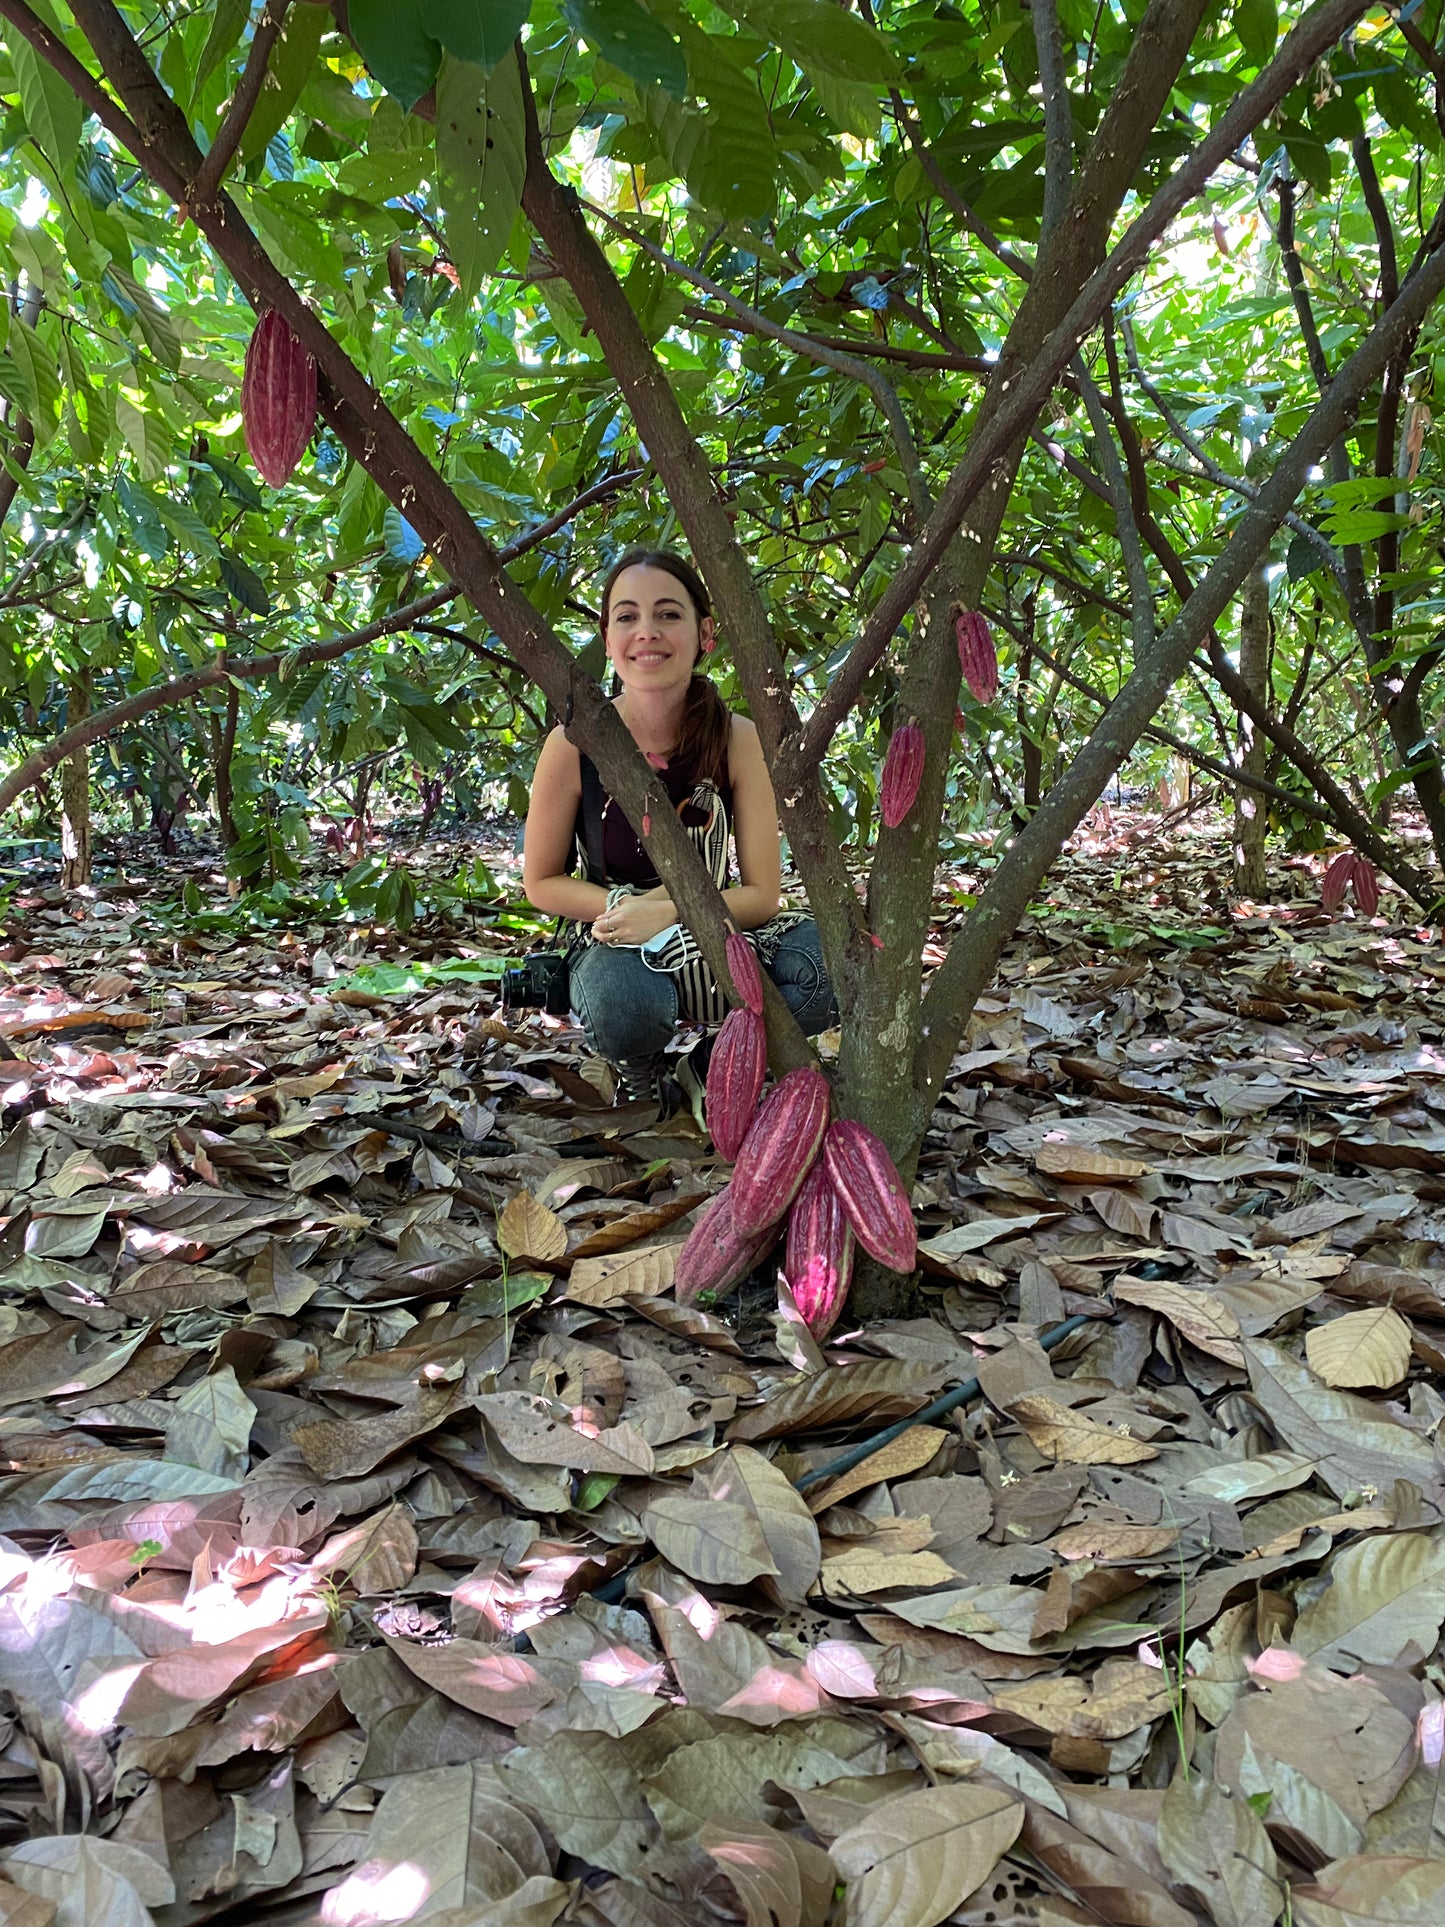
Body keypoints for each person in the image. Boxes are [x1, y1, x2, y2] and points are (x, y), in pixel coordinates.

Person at [522, 548, 836, 1107]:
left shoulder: (737, 739)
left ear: (705, 632)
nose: (647, 632)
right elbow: (541, 881)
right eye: (627, 617)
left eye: (668, 614)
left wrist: (672, 908)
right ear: (608, 635)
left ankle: (710, 1065)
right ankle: (638, 1066)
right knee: (625, 1006)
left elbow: (763, 895)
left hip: (713, 924)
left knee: (832, 967)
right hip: (615, 933)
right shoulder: (573, 744)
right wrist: (624, 907)